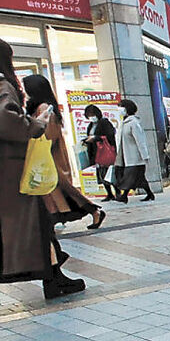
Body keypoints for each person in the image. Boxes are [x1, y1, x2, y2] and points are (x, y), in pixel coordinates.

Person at [0, 31, 85, 318]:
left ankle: (53, 277)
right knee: (23, 227)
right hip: (6, 173)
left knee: (1, 230)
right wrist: (34, 124)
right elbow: (2, 121)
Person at [22, 75, 105, 231]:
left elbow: (49, 135)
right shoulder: (42, 107)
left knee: (63, 189)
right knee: (53, 191)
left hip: (50, 157)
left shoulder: (44, 108)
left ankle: (93, 210)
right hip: (47, 156)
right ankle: (56, 220)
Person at [114, 99, 154, 203]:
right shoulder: (124, 123)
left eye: (121, 107)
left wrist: (145, 155)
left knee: (130, 176)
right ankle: (150, 194)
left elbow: (140, 140)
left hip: (135, 157)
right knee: (140, 178)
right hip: (127, 157)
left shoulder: (134, 123)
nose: (119, 109)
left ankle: (124, 196)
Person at [81, 104, 118, 201]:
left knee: (110, 173)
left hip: (105, 151)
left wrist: (96, 138)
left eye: (92, 114)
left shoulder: (104, 123)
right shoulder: (91, 125)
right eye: (89, 115)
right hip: (97, 152)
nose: (91, 117)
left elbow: (110, 135)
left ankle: (117, 192)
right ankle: (109, 193)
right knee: (102, 174)